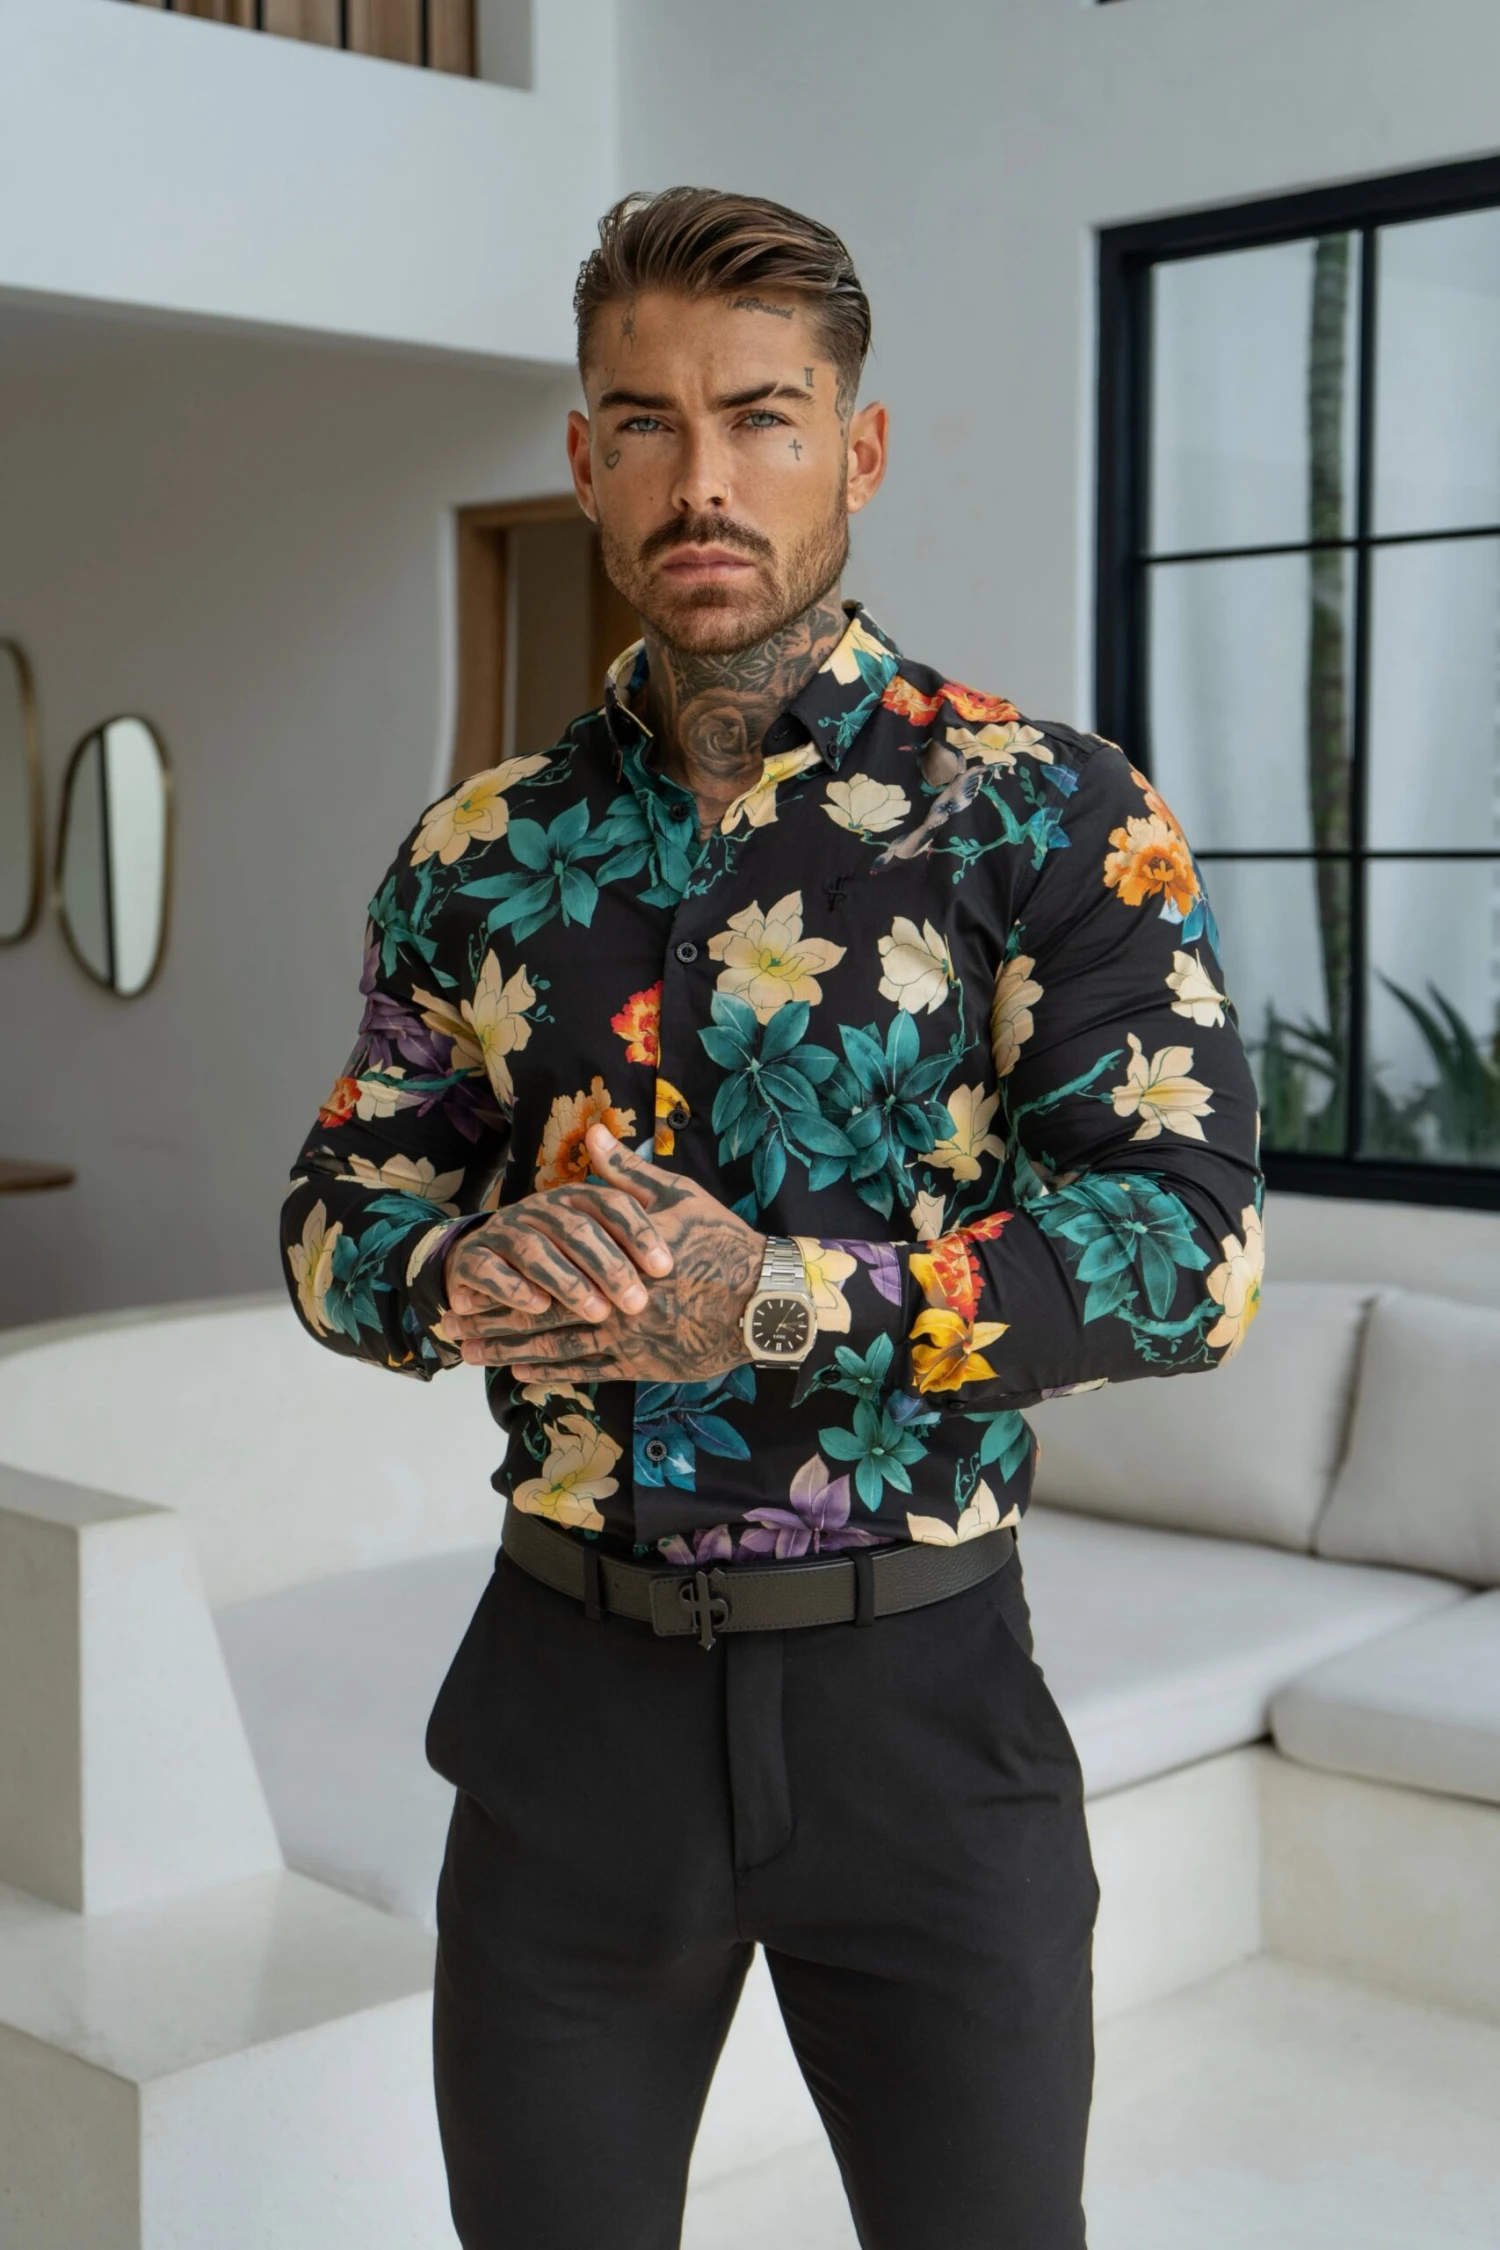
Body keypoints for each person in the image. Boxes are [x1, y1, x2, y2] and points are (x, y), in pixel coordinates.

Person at [281, 186, 1264, 2250]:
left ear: (859, 448)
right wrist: (447, 1271)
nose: (701, 479)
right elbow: (338, 1206)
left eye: (763, 417)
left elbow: (1189, 1253)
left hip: (923, 1710)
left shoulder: (1048, 808)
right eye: (646, 422)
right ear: (586, 461)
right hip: (566, 1712)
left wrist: (778, 1303)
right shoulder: (475, 852)